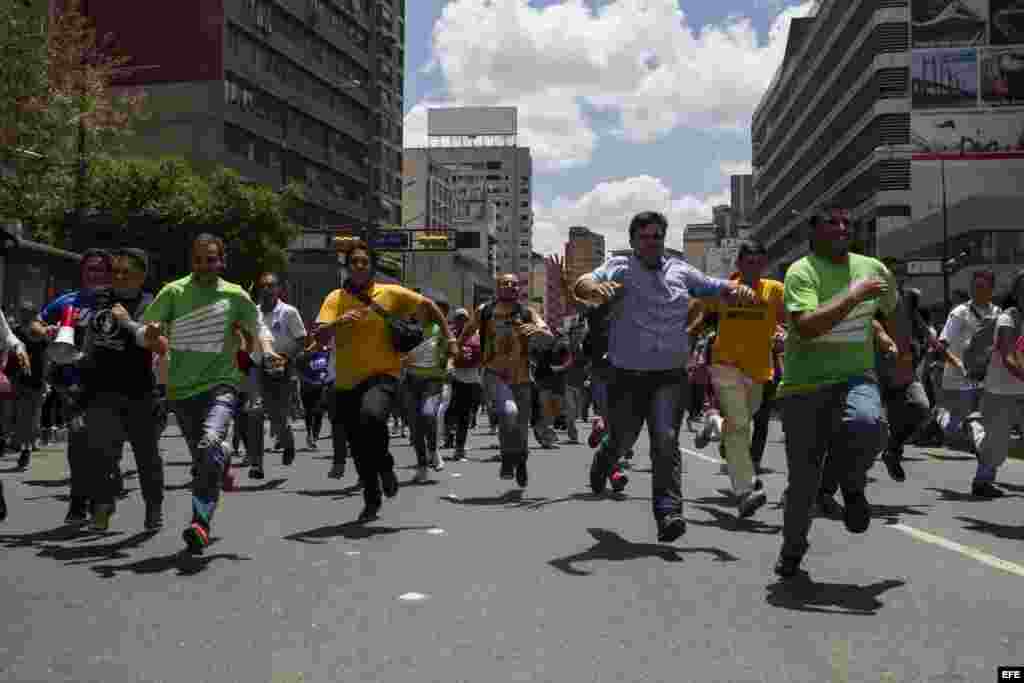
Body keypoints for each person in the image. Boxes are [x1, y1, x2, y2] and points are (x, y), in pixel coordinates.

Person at [573, 211, 757, 543]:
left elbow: (714, 286)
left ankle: (669, 511)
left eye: (658, 236)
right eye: (645, 237)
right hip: (626, 375)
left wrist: (736, 290)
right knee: (622, 439)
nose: (653, 242)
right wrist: (595, 289)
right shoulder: (619, 266)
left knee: (666, 440)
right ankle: (604, 460)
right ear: (632, 242)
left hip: (670, 377)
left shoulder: (681, 270)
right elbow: (584, 282)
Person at [773, 208, 904, 579]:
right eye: (832, 222)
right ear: (812, 232)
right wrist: (854, 294)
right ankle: (792, 550)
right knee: (803, 484)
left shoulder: (874, 268)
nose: (842, 228)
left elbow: (894, 311)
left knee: (870, 425)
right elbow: (807, 326)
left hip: (855, 376)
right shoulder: (801, 272)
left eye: (847, 223)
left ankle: (851, 484)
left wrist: (901, 355)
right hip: (804, 388)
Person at [142, 234, 277, 553]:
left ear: (222, 261)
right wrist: (153, 334)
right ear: (192, 261)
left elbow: (258, 327)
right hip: (182, 389)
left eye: (211, 259)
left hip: (221, 385)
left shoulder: (234, 295)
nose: (205, 265)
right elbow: (150, 328)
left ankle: (200, 524)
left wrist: (269, 352)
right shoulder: (173, 291)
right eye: (199, 260)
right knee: (205, 459)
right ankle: (223, 456)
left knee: (209, 444)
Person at [316, 241, 453, 521]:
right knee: (358, 445)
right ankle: (372, 496)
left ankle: (386, 466)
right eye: (354, 261)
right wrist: (340, 321)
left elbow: (429, 305)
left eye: (364, 262)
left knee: (372, 417)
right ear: (347, 266)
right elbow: (319, 336)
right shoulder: (334, 298)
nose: (359, 266)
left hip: (384, 375)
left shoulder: (389, 293)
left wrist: (450, 338)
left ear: (372, 266)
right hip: (345, 381)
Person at [80, 249, 167, 531]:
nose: (118, 277)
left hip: (139, 391)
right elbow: (92, 338)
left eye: (125, 272)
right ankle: (103, 506)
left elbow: (154, 343)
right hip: (102, 389)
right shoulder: (102, 300)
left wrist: (127, 321)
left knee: (146, 456)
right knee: (102, 454)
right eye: (115, 272)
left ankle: (153, 506)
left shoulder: (150, 303)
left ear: (141, 276)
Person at [698, 240, 785, 519]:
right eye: (749, 263)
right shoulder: (723, 290)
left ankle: (714, 421)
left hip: (759, 371)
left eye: (759, 263)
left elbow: (789, 319)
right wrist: (690, 351)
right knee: (739, 428)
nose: (755, 268)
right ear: (738, 265)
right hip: (725, 366)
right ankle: (745, 491)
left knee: (741, 423)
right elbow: (700, 318)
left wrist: (783, 334)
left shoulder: (774, 290)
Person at [32, 249, 113, 524]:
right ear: (83, 272)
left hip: (109, 384)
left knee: (103, 446)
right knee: (79, 443)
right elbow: (35, 324)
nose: (96, 275)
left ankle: (99, 498)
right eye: (91, 269)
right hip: (72, 383)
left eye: (101, 270)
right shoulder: (67, 301)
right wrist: (46, 332)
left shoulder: (117, 303)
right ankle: (78, 502)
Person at [936, 270, 998, 455]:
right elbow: (942, 345)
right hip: (958, 379)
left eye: (982, 287)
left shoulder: (998, 313)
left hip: (984, 378)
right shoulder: (960, 313)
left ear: (991, 289)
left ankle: (984, 461)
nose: (976, 290)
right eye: (974, 286)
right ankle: (940, 415)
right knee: (953, 428)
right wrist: (958, 365)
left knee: (979, 420)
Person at [973, 269, 1024, 497]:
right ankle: (974, 428)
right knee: (997, 448)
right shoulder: (1007, 319)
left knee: (999, 445)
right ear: (1016, 293)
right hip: (1001, 390)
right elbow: (1008, 357)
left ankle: (982, 481)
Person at [254, 272, 307, 467]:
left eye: (271, 285)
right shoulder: (253, 312)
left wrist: (285, 358)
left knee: (279, 414)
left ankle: (288, 444)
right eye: (263, 286)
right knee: (260, 410)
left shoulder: (288, 312)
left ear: (279, 289)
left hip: (283, 368)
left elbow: (301, 340)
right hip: (260, 368)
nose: (267, 289)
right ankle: (257, 460)